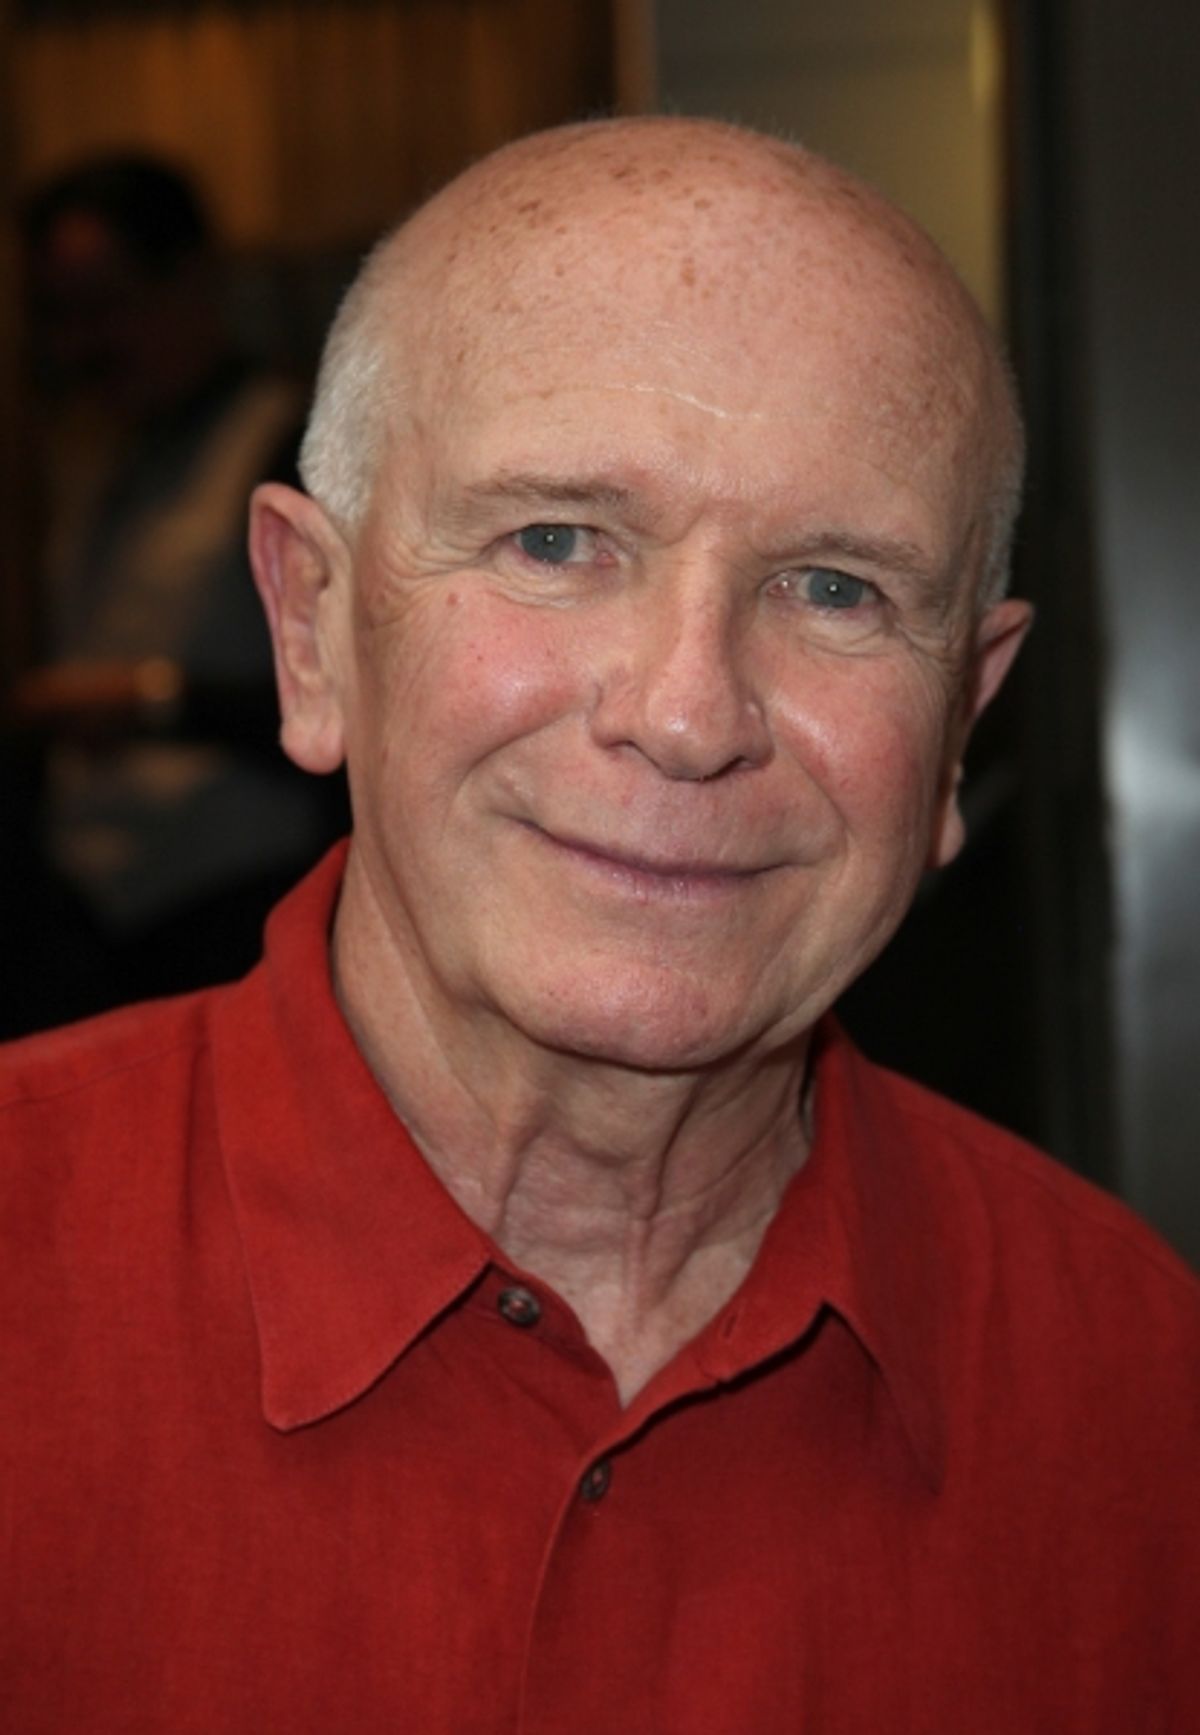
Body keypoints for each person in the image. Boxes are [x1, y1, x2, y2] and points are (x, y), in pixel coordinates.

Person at [2, 119, 1196, 1733]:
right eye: (557, 541)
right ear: (313, 629)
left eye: (837, 587)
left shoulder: (1139, 1390)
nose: (689, 714)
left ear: (961, 729)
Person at [4, 155, 342, 1036]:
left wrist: (153, 702)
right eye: (60, 318)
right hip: (102, 918)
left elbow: (357, 691)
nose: (81, 347)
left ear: (191, 280)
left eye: (107, 309)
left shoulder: (286, 444)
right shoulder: (105, 461)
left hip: (234, 904)